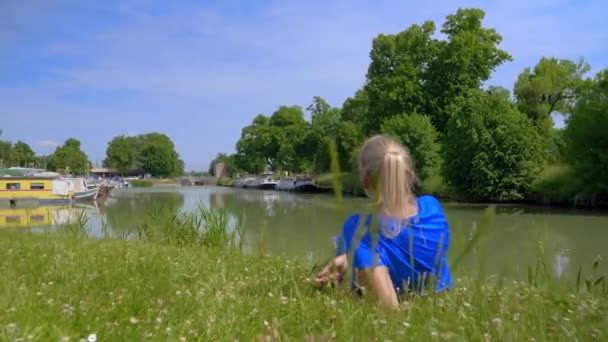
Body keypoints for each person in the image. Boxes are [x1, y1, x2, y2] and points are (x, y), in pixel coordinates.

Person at [315, 135, 452, 308]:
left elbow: (390, 308)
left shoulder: (358, 228)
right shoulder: (433, 206)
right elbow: (396, 247)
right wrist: (349, 258)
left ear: (365, 182)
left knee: (344, 243)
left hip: (407, 307)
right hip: (442, 299)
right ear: (410, 175)